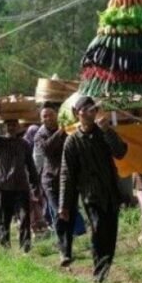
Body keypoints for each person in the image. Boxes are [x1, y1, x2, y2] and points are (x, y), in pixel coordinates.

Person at [59, 95, 127, 283]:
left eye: (93, 109)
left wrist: (108, 132)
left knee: (111, 235)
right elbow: (67, 175)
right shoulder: (72, 142)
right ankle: (99, 274)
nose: (89, 114)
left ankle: (104, 268)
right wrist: (64, 205)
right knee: (98, 231)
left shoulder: (104, 133)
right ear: (76, 113)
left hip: (111, 192)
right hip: (90, 196)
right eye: (85, 110)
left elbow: (121, 152)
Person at [35, 103, 86, 266]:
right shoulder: (40, 135)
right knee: (58, 213)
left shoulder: (68, 130)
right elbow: (47, 149)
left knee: (70, 213)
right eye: (44, 116)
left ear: (56, 115)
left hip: (70, 180)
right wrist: (60, 132)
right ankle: (63, 251)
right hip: (51, 180)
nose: (47, 118)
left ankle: (68, 249)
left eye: (50, 115)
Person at [0, 105, 41, 253]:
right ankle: (5, 247)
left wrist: (35, 186)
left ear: (18, 126)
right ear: (5, 127)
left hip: (21, 187)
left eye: (14, 125)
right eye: (8, 125)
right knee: (4, 219)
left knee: (25, 218)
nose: (11, 127)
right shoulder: (0, 143)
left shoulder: (24, 144)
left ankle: (26, 248)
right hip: (4, 186)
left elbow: (31, 166)